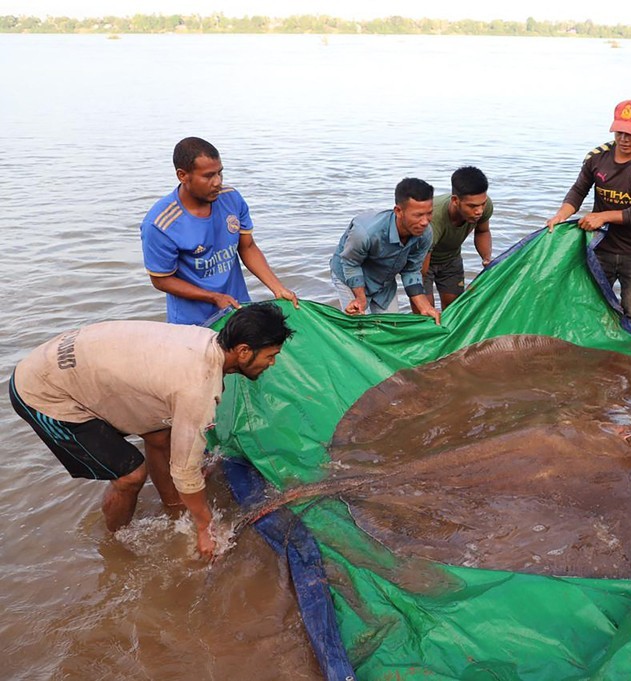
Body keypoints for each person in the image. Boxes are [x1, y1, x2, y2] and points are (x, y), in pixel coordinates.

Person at [8, 302, 295, 560]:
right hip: (44, 392)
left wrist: (185, 497)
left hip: (70, 362)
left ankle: (171, 504)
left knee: (159, 434)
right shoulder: (197, 388)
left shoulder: (202, 339)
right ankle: (116, 544)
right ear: (243, 351)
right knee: (130, 475)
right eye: (270, 356)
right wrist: (205, 525)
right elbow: (185, 471)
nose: (272, 363)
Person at [140, 137, 298, 325]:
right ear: (182, 175)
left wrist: (277, 288)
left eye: (220, 173)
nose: (217, 182)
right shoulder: (160, 224)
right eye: (208, 176)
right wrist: (213, 297)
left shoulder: (231, 198)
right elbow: (162, 280)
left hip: (238, 309)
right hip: (192, 322)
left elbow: (247, 247)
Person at [545, 99, 631, 325]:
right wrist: (561, 214)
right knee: (591, 306)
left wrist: (602, 216)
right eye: (619, 132)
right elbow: (578, 190)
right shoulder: (597, 157)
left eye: (630, 133)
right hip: (600, 247)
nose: (623, 139)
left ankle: (629, 353)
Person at [330, 178, 440, 324]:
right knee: (361, 328)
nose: (425, 221)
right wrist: (360, 299)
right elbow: (350, 263)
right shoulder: (365, 232)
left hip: (383, 281)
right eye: (418, 215)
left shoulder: (425, 234)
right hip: (349, 274)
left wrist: (425, 306)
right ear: (398, 211)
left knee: (392, 327)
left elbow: (412, 270)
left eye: (429, 214)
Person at [423, 166, 494, 310]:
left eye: (482, 204)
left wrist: (486, 258)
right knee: (425, 314)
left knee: (454, 309)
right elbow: (421, 268)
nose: (479, 211)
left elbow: (482, 231)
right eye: (473, 206)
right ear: (455, 200)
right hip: (422, 261)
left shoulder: (484, 207)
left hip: (451, 258)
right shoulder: (434, 219)